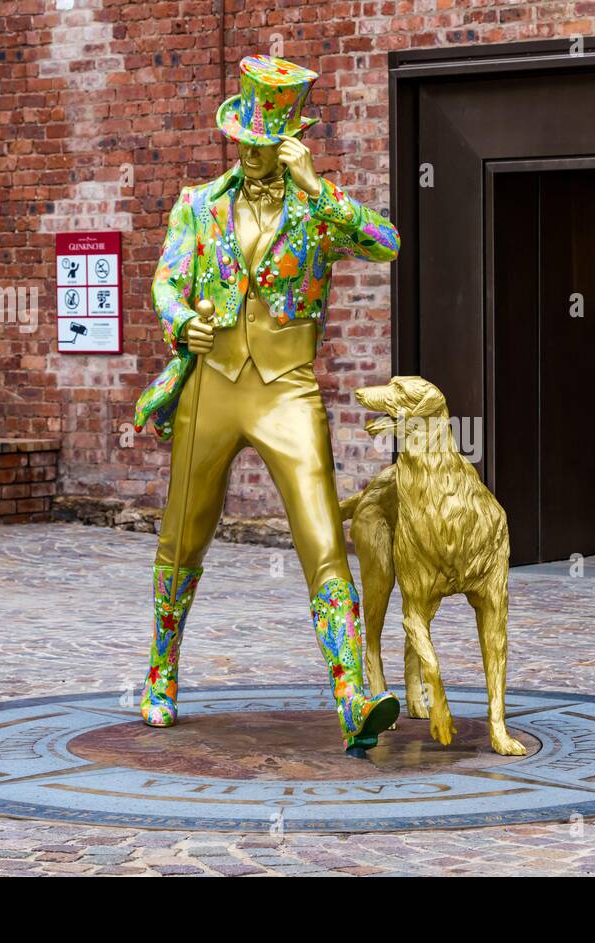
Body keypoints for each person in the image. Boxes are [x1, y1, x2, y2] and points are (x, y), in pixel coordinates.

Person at [133, 55, 401, 754]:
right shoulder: (198, 203)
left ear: (291, 144)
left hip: (287, 389)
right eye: (245, 145)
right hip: (212, 384)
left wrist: (321, 190)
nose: (254, 158)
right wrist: (179, 319)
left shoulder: (319, 210)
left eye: (267, 147)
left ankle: (351, 693)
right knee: (182, 535)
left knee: (321, 537)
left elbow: (387, 245)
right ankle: (162, 674)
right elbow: (165, 282)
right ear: (235, 141)